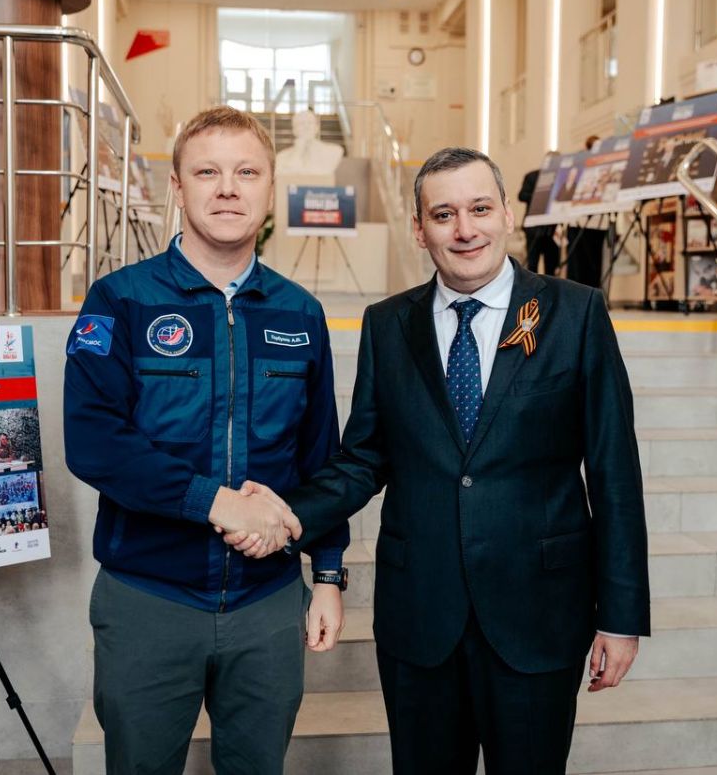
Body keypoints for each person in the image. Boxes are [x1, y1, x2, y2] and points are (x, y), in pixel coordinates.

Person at [231, 147, 650, 774]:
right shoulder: (387, 325)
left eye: (479, 209)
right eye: (444, 214)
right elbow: (362, 459)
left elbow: (615, 474)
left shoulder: (576, 312)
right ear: (419, 228)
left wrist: (620, 617)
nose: (464, 229)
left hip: (538, 614)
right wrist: (289, 513)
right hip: (420, 617)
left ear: (506, 214)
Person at [63, 105, 350, 775]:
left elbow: (321, 456)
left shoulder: (300, 313)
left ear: (270, 189)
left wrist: (329, 574)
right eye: (207, 172)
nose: (227, 189)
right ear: (177, 187)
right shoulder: (120, 300)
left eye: (247, 172)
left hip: (267, 603)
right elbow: (95, 440)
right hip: (149, 598)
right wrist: (217, 502)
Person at [518, 152, 561, 276]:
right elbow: (522, 195)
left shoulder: (560, 178)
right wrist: (541, 196)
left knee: (551, 265)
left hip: (552, 228)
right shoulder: (532, 176)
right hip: (534, 227)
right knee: (532, 264)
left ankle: (550, 288)